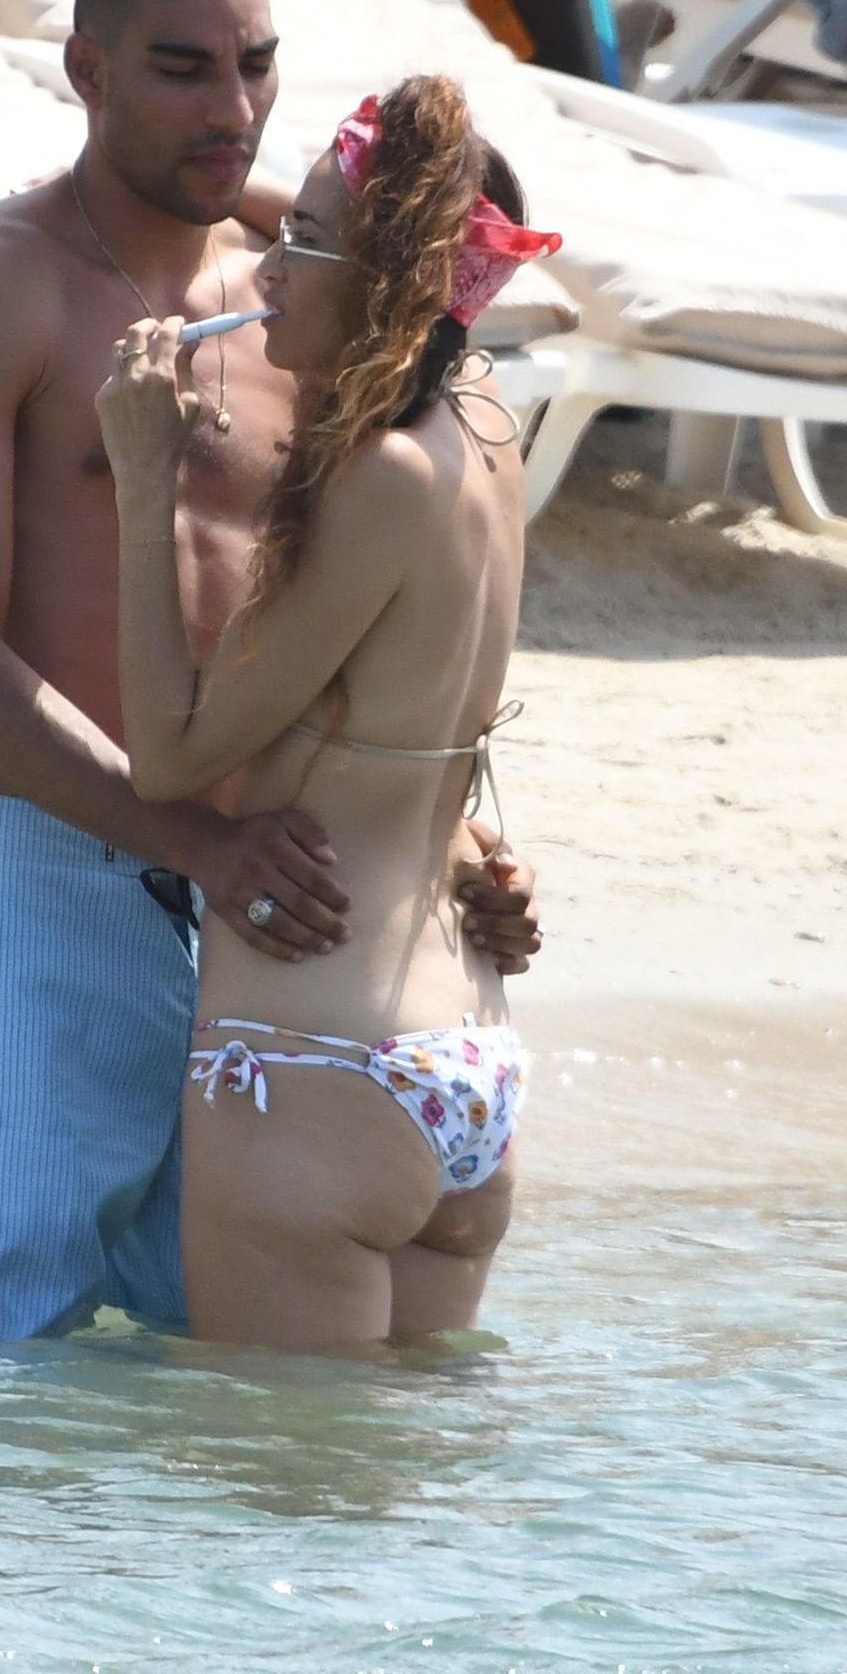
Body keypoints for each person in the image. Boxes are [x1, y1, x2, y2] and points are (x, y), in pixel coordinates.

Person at [0, 0, 541, 1348]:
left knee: (211, 1401)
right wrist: (193, 843)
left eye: (257, 64)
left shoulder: (298, 278)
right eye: (183, 68)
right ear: (86, 70)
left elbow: (385, 593)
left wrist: (453, 842)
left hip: (271, 915)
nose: (234, 108)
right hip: (36, 882)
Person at [97, 75, 553, 1348]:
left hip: (317, 1059)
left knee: (267, 1468)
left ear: (392, 275)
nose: (266, 270)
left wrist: (146, 479)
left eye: (302, 238)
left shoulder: (380, 477)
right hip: (465, 1055)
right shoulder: (486, 432)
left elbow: (170, 755)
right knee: (406, 1466)